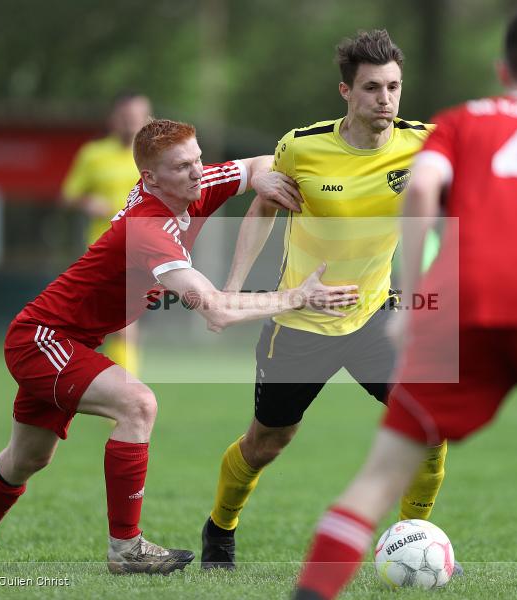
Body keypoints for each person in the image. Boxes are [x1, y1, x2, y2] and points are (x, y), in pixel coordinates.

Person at [293, 7, 517, 600]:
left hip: (462, 306)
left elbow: (423, 189)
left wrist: (412, 301)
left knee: (380, 476)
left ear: (502, 69)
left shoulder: (459, 123)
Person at [0, 119, 359, 575]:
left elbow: (253, 164)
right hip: (45, 339)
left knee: (29, 457)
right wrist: (299, 296)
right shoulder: (149, 228)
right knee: (138, 405)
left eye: (198, 159)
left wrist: (263, 175)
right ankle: (126, 548)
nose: (198, 172)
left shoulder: (192, 185)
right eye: (183, 166)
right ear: (150, 178)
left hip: (66, 338)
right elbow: (215, 309)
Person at [201, 30, 450, 571]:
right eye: (371, 88)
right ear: (345, 91)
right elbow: (264, 207)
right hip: (301, 323)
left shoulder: (425, 143)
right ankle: (220, 527)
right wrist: (233, 290)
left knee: (431, 427)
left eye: (393, 87)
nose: (385, 99)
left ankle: (415, 535)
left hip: (375, 319)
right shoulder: (302, 147)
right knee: (267, 442)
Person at [62, 93, 152, 378]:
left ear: (148, 120)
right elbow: (69, 195)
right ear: (114, 119)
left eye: (136, 118)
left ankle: (126, 389)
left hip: (140, 249)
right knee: (105, 324)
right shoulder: (94, 154)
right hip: (99, 249)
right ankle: (112, 384)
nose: (130, 124)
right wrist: (89, 202)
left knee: (124, 323)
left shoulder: (156, 155)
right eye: (125, 117)